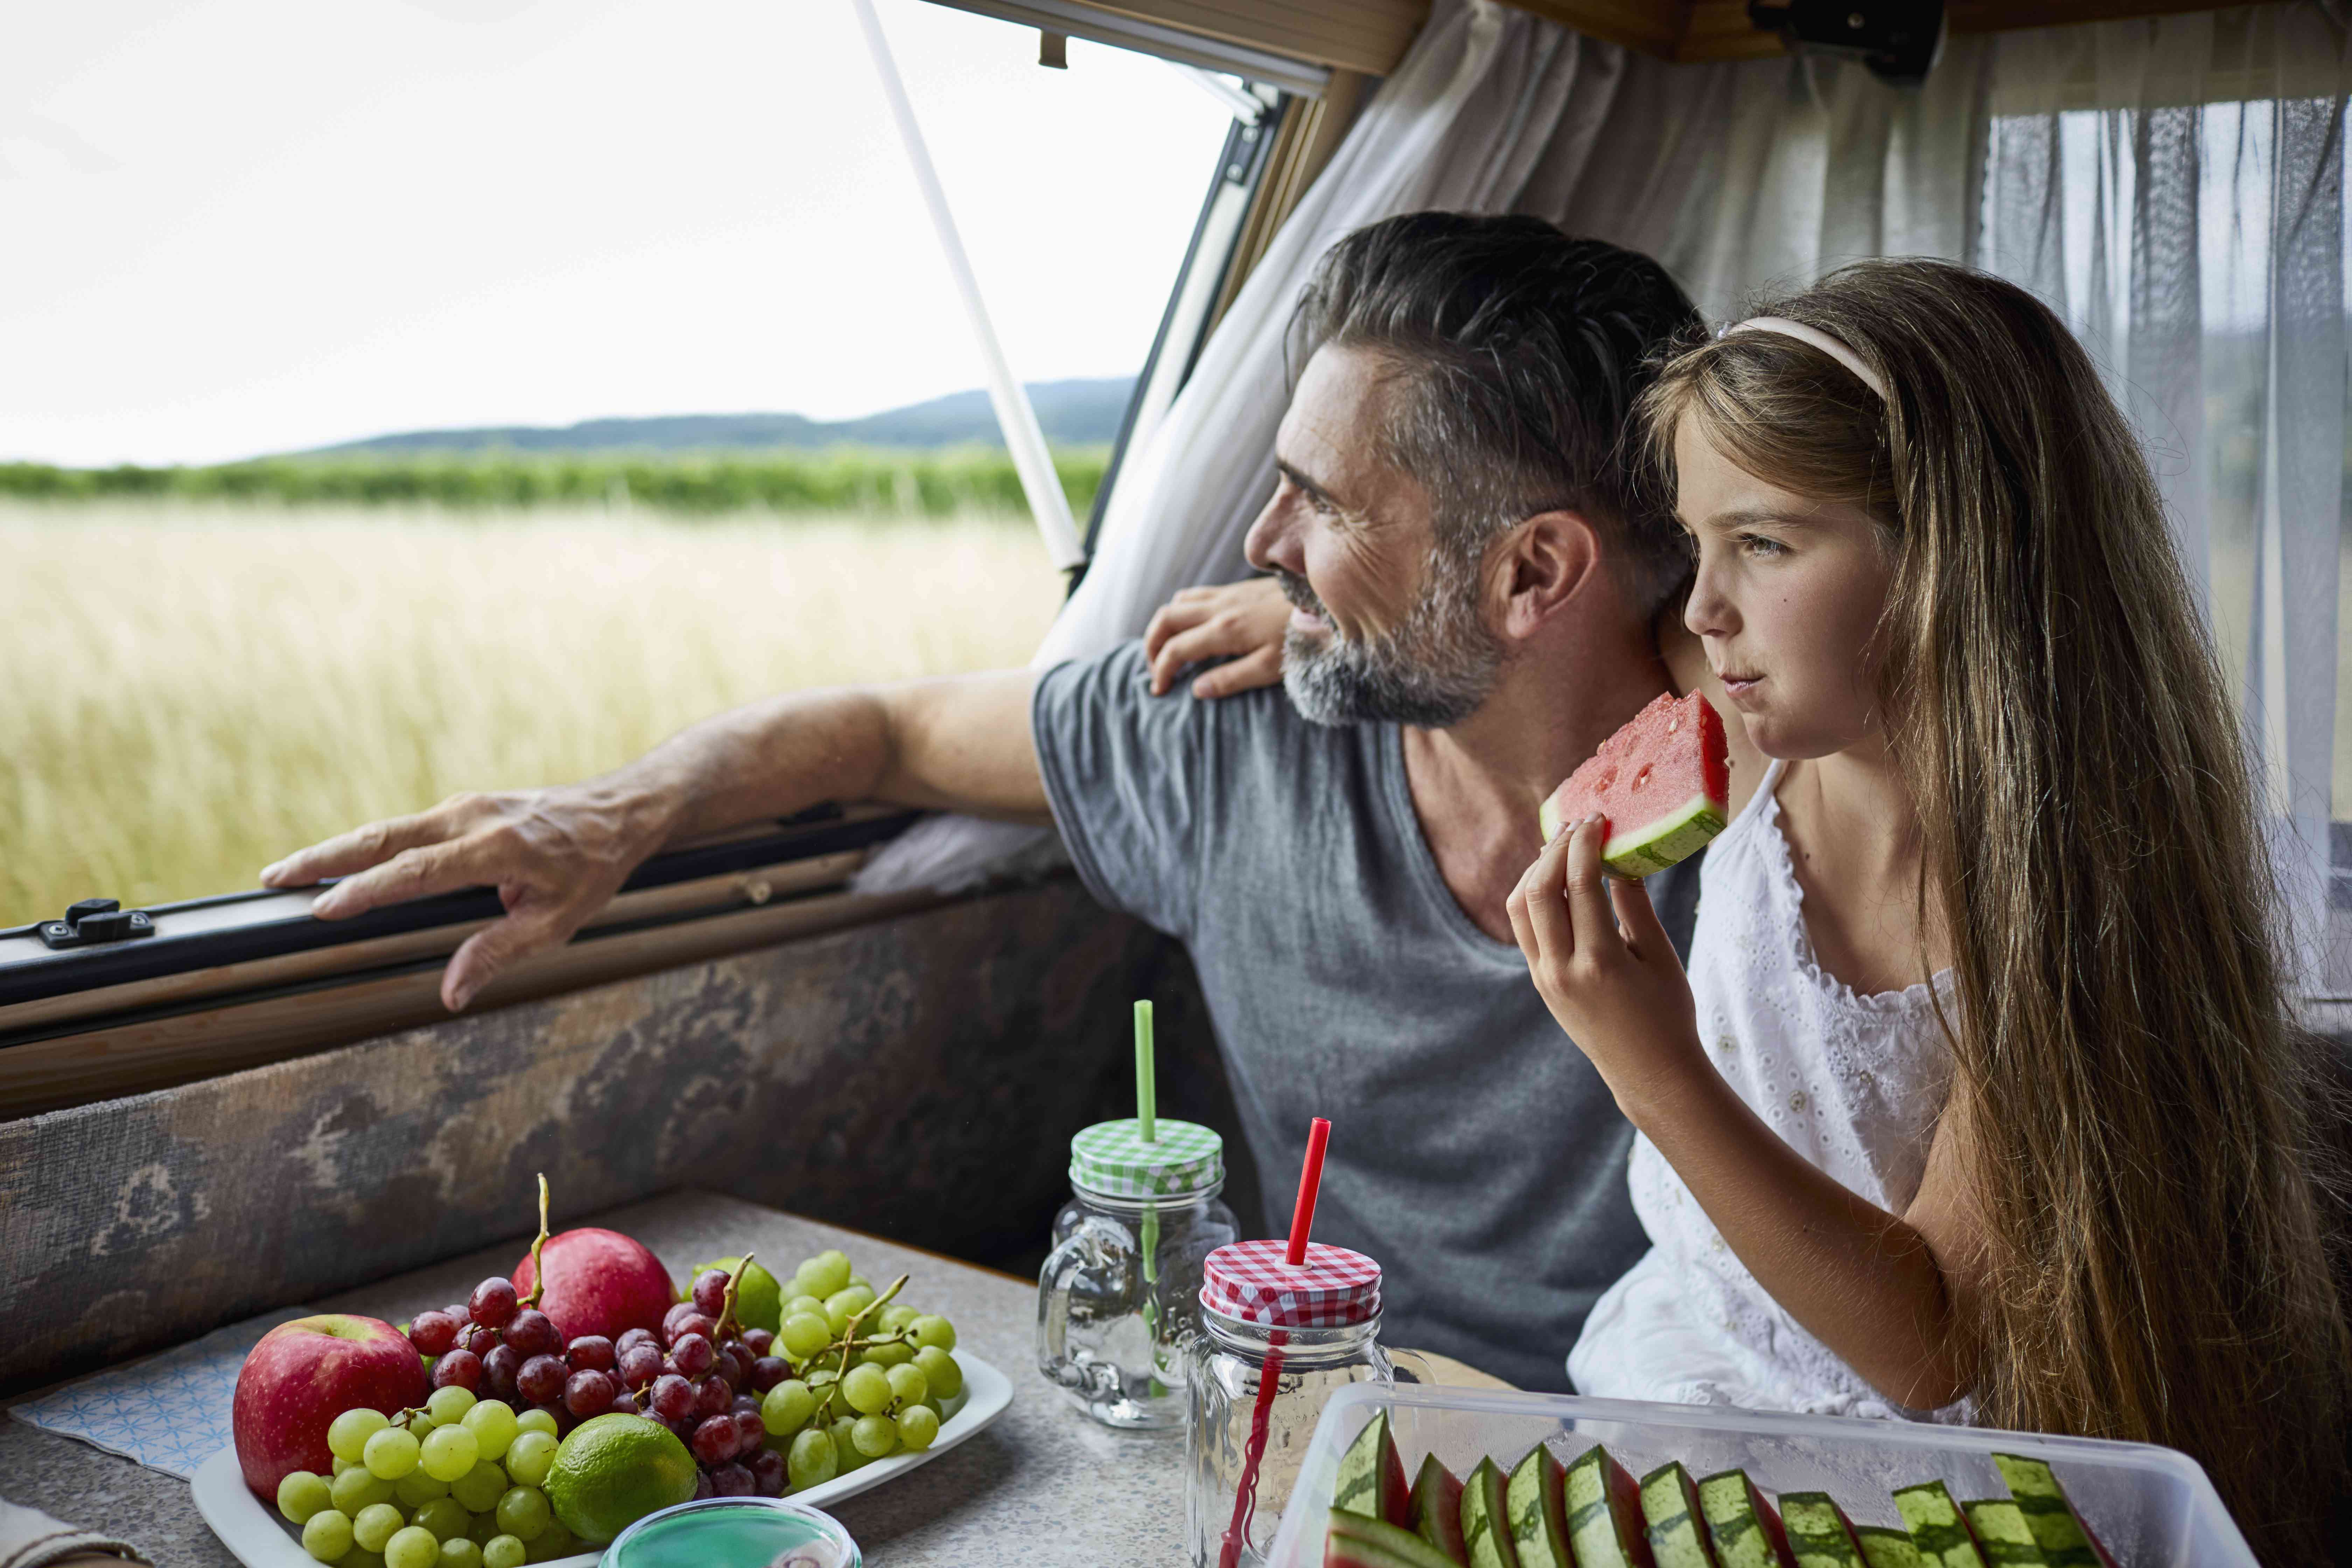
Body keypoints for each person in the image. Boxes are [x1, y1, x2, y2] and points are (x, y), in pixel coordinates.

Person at [259, 214, 1758, 1392]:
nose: (1261, 539)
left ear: (1533, 573)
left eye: (1329, 502)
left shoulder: (1793, 804)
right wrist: (614, 815)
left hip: (1658, 1441)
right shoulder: (1227, 736)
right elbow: (883, 729)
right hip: (1325, 1420)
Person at [1498, 260, 2348, 1558]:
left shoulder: (2067, 905)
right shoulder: (1759, 696)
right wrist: (1311, 630)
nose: (1705, 608)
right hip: (1673, 1375)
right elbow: (1568, 642)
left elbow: (1931, 1343)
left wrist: (1647, 1060)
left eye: (1767, 542)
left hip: (1901, 1487)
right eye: (1699, 540)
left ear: (1960, 554)